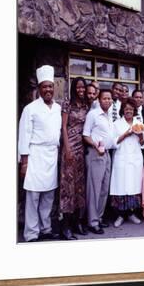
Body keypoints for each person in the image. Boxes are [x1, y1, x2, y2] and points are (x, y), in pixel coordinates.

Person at [18, 65, 61, 242]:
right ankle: (31, 233)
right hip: (35, 155)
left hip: (52, 156)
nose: (48, 89)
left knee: (48, 196)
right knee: (33, 196)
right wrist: (24, 162)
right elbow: (23, 135)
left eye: (50, 86)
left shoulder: (58, 108)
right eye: (44, 86)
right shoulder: (30, 109)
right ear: (39, 89)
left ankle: (46, 228)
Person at [82, 89, 118, 234]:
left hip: (107, 153)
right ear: (99, 99)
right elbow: (85, 135)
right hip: (96, 153)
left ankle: (99, 217)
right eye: (105, 98)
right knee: (94, 189)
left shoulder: (108, 115)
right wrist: (95, 145)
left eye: (110, 99)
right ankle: (92, 221)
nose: (108, 101)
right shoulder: (93, 114)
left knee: (104, 189)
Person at [59, 77, 89, 240]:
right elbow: (63, 126)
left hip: (81, 150)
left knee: (79, 188)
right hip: (69, 148)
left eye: (83, 88)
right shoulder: (67, 104)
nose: (81, 90)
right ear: (73, 88)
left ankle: (78, 222)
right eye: (78, 87)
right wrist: (67, 148)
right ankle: (66, 226)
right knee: (67, 188)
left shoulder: (86, 106)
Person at [110, 98, 144, 227]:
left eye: (131, 109)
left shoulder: (139, 123)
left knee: (133, 187)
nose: (129, 111)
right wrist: (125, 134)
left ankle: (131, 214)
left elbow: (143, 144)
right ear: (122, 111)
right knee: (121, 187)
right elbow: (113, 142)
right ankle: (120, 215)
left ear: (134, 110)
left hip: (135, 159)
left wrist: (141, 136)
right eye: (126, 109)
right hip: (121, 158)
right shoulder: (116, 124)